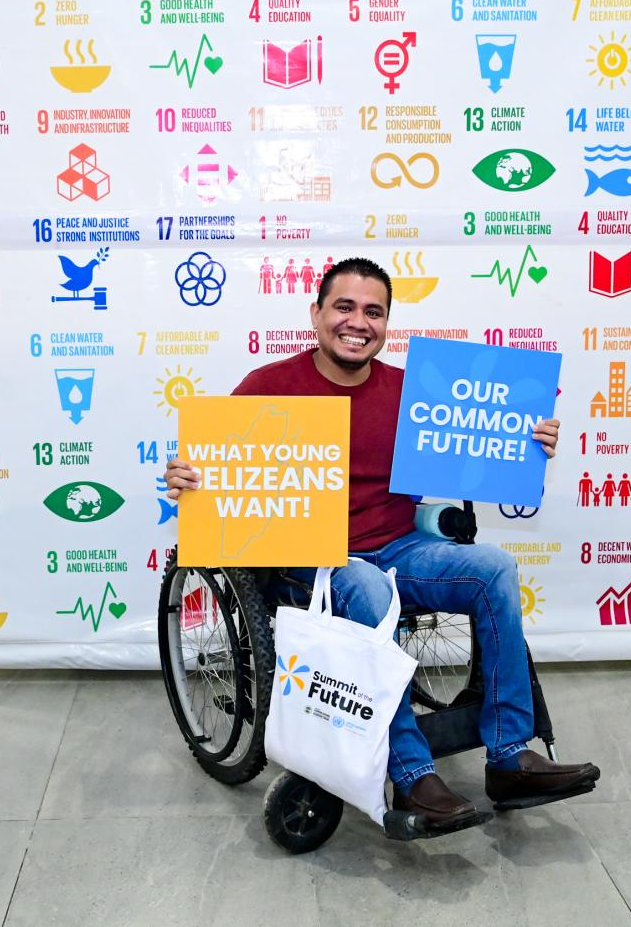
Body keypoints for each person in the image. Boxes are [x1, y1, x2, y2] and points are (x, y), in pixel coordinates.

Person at [165, 256, 600, 832]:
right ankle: (413, 773)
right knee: (366, 587)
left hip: (397, 545)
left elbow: (473, 446)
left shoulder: (410, 392)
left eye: (374, 312)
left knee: (493, 567)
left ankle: (509, 756)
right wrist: (187, 479)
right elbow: (218, 467)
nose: (358, 322)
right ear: (316, 314)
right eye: (344, 307)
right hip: (313, 560)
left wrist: (526, 441)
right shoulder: (269, 387)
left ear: (387, 323)